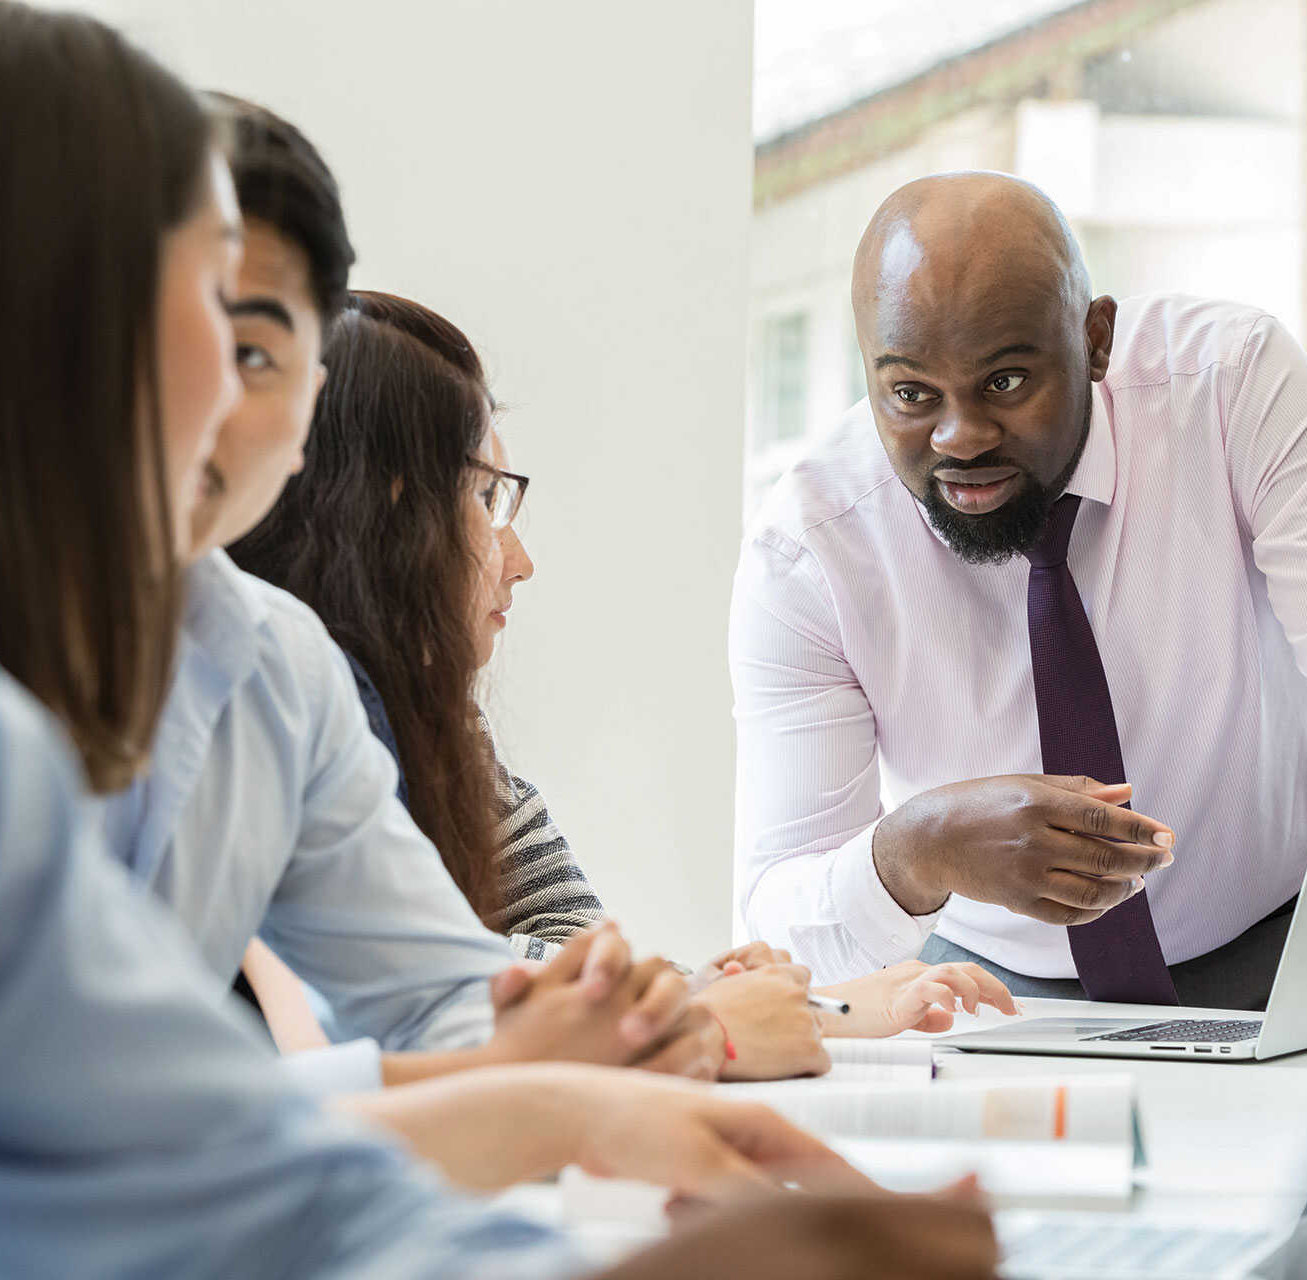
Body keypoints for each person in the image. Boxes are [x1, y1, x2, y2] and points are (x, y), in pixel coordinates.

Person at [0, 2, 1004, 1275]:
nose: (242, 397)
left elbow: (187, 1167)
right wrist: (592, 1083)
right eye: (216, 318)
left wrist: (606, 1178)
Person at [0, 20, 713, 1093]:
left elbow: (437, 998)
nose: (199, 390)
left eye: (251, 346)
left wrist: (623, 1040)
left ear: (312, 406)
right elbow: (75, 1136)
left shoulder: (273, 663)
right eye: (150, 322)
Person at [729, 170, 1307, 1088]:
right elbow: (777, 926)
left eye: (1004, 380)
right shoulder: (808, 556)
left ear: (1094, 338)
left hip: (1289, 966)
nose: (960, 436)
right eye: (911, 394)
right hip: (989, 1005)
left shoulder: (1233, 389)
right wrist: (914, 849)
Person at [230, 289, 1019, 1069]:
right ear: (384, 514)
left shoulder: (438, 736)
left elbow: (571, 948)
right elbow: (414, 994)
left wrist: (798, 1008)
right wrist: (711, 1021)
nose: (520, 561)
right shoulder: (271, 716)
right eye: (483, 497)